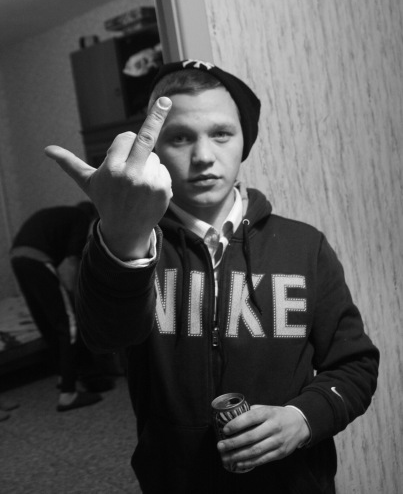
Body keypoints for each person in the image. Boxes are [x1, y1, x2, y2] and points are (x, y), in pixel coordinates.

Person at [45, 60, 379, 493]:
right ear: (155, 148)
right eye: (180, 137)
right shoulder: (130, 242)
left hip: (293, 481)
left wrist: (304, 418)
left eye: (221, 134)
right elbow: (104, 337)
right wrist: (124, 235)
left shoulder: (304, 246)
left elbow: (354, 365)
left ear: (244, 142)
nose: (203, 156)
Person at [10, 202, 105, 411]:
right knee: (69, 324)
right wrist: (76, 297)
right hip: (37, 259)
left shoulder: (61, 216)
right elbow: (72, 263)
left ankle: (64, 377)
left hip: (17, 258)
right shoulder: (81, 218)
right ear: (93, 217)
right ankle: (68, 394)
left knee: (47, 322)